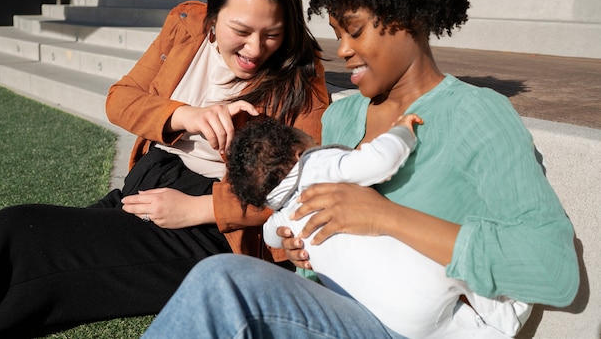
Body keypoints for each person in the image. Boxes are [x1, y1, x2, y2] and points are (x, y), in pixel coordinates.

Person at [142, 0, 580, 338]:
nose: (344, 50)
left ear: (409, 16)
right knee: (221, 281)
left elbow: (554, 271)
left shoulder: (475, 115)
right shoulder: (343, 117)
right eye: (336, 32)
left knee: (223, 283)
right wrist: (305, 253)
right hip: (334, 311)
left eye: (354, 30)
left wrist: (384, 217)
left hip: (410, 329)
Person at [0, 0, 328, 338]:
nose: (255, 49)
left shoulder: (303, 74)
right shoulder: (185, 24)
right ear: (213, 14)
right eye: (241, 31)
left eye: (273, 34)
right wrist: (185, 115)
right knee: (27, 250)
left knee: (21, 235)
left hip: (211, 229)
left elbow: (300, 184)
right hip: (147, 187)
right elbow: (121, 99)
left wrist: (197, 209)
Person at [225, 115, 532, 338]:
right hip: (426, 279)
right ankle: (506, 312)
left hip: (389, 320)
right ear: (298, 152)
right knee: (459, 263)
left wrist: (282, 237)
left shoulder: (282, 216)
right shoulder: (316, 165)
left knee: (446, 326)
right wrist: (401, 131)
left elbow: (270, 235)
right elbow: (378, 162)